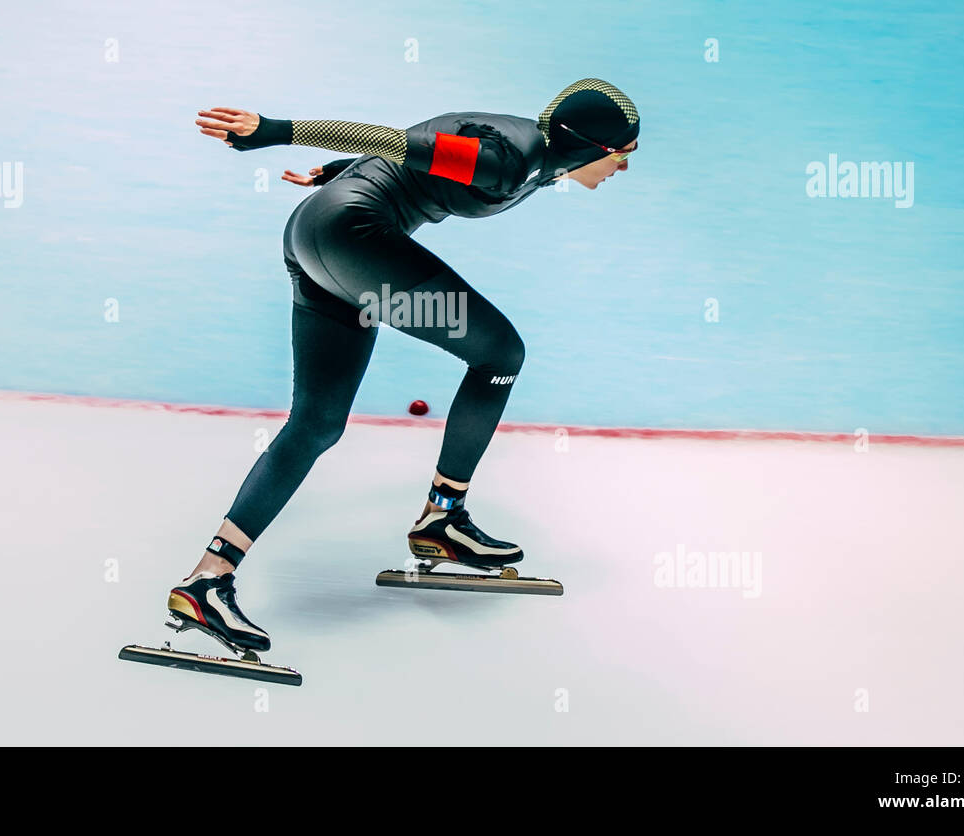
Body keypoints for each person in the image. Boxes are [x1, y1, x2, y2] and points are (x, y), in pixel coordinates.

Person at [166, 79, 640, 653]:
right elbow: (389, 139)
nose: (624, 169)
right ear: (595, 147)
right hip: (353, 238)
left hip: (320, 233)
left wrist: (341, 173)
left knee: (317, 423)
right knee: (499, 354)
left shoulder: (541, 155)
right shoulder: (506, 160)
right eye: (624, 155)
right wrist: (271, 132)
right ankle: (442, 518)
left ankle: (207, 580)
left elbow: (412, 153)